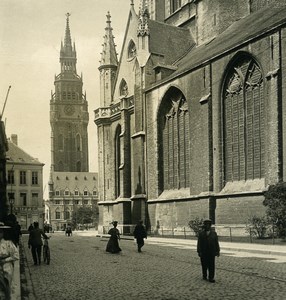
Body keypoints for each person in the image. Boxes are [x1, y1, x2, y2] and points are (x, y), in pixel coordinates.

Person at [197, 219, 220, 283]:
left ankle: (211, 277)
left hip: (211, 252)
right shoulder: (201, 234)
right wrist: (199, 251)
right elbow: (199, 243)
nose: (207, 226)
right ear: (204, 226)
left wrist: (217, 251)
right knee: (204, 264)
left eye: (208, 225)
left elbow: (216, 243)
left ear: (210, 226)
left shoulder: (214, 234)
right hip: (204, 252)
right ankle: (204, 275)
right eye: (206, 225)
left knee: (211, 265)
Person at [0, 222, 19, 300]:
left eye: (0, 232)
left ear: (3, 233)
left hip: (6, 267)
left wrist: (5, 260)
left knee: (6, 286)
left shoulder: (8, 243)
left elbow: (16, 255)